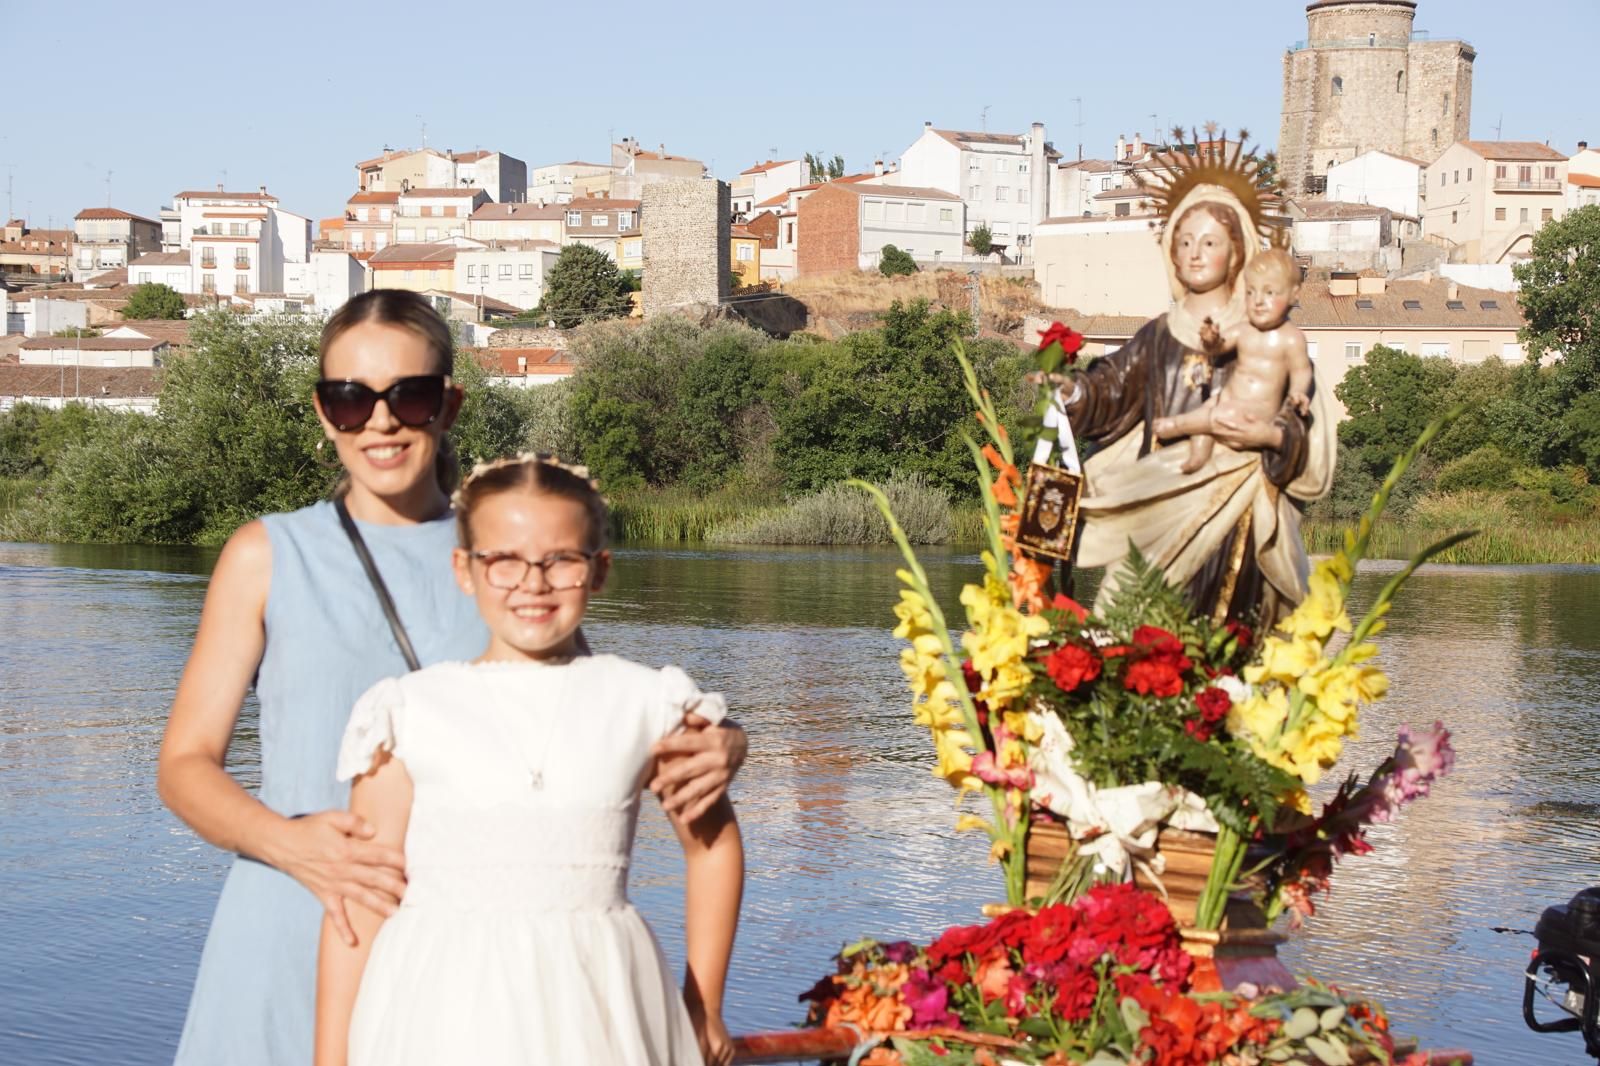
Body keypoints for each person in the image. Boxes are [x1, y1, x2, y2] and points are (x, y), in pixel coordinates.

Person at [157, 290, 746, 1065]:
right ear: (324, 412)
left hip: (462, 975)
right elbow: (183, 765)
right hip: (287, 923)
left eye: (410, 395)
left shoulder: (509, 560)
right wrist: (293, 845)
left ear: (449, 405)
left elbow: (589, 712)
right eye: (350, 398)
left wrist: (728, 740)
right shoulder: (265, 555)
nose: (381, 422)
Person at [315, 455, 743, 1066]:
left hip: (600, 1003)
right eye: (504, 560)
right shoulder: (408, 711)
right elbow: (360, 900)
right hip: (437, 1010)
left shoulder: (646, 701)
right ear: (464, 569)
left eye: (561, 560)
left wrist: (704, 1006)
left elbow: (712, 847)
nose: (533, 584)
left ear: (599, 570)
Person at [1060, 186, 1335, 626]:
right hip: (1160, 491)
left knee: (1223, 629)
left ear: (1236, 252)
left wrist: (1268, 436)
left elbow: (1301, 417)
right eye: (1185, 241)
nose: (1194, 253)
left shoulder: (1267, 336)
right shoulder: (1159, 335)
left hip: (1238, 499)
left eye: (1210, 242)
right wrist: (1073, 393)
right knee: (1129, 618)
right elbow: (1111, 388)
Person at [1153, 248, 1314, 474]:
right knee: (1207, 411)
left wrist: (1298, 393)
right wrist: (1211, 339)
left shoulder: (1291, 338)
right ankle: (1198, 458)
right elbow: (1219, 347)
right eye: (1251, 292)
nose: (1258, 301)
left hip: (1254, 415)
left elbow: (1301, 372)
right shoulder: (1244, 330)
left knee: (1211, 417)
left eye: (1269, 292)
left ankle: (1177, 425)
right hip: (1226, 401)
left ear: (1293, 295)